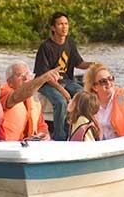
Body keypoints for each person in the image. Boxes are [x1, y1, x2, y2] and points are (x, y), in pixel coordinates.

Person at [34, 12, 93, 140]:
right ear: (53, 28)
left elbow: (79, 63)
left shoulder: (70, 43)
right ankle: (60, 137)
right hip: (46, 83)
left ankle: (79, 128)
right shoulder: (45, 47)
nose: (64, 27)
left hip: (66, 80)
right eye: (60, 24)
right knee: (60, 102)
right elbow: (44, 75)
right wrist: (62, 91)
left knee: (81, 93)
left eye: (66, 24)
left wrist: (93, 65)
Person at [0, 63, 61, 141]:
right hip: (7, 145)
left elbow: (42, 126)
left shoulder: (33, 100)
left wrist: (44, 134)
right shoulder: (3, 93)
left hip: (29, 145)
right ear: (9, 82)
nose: (26, 78)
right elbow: (17, 96)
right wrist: (43, 78)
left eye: (28, 74)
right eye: (20, 75)